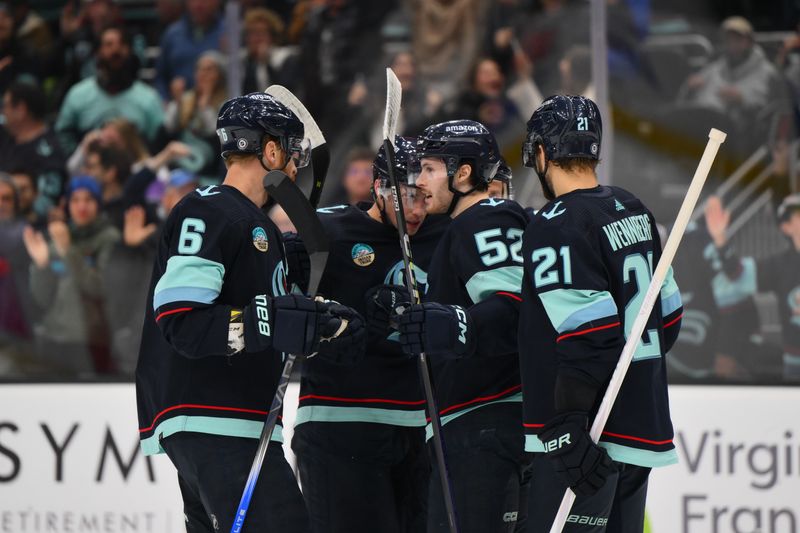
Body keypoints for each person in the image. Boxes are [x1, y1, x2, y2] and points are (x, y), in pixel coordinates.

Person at [135, 92, 366, 533]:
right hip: (216, 418)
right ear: (272, 150)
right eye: (292, 155)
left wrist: (323, 326)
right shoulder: (209, 208)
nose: (296, 168)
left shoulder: (259, 228)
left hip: (235, 421)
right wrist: (272, 321)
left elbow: (267, 320)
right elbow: (181, 319)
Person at [517, 95, 683, 532]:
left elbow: (587, 333)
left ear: (541, 152)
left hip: (587, 438)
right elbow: (668, 320)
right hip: (639, 426)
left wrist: (569, 422)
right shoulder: (634, 208)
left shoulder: (555, 223)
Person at [291, 137, 448, 533]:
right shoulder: (329, 229)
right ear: (379, 188)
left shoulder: (439, 239)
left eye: (424, 198)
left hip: (416, 428)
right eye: (407, 196)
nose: (416, 210)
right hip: (338, 425)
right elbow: (289, 308)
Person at [395, 120, 528, 532]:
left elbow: (513, 310)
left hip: (486, 420)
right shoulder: (460, 228)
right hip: (474, 422)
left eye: (430, 168)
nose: (420, 180)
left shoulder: (488, 216)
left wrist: (455, 325)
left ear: (463, 173)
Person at [22, 175, 120, 376]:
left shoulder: (109, 238)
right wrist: (41, 267)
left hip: (93, 340)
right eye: (75, 200)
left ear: (98, 203)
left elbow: (99, 288)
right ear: (67, 204)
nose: (81, 206)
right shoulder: (59, 237)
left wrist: (68, 251)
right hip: (54, 338)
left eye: (88, 200)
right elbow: (41, 298)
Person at [705, 193, 800, 380]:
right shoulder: (781, 265)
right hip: (794, 366)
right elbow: (738, 274)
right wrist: (720, 238)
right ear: (786, 227)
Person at [56, 25, 164, 154]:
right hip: (89, 168)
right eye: (109, 44)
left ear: (130, 52)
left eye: (122, 44)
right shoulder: (78, 94)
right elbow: (62, 136)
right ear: (97, 53)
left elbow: (159, 140)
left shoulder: (148, 98)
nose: (115, 50)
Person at [0, 81, 67, 215]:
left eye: (5, 106)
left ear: (21, 110)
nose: (3, 112)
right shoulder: (7, 139)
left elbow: (48, 199)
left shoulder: (48, 151)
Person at [154, 0, 223, 100]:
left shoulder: (229, 32)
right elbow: (161, 77)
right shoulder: (172, 34)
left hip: (221, 106)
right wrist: (164, 101)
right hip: (180, 106)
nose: (199, 4)